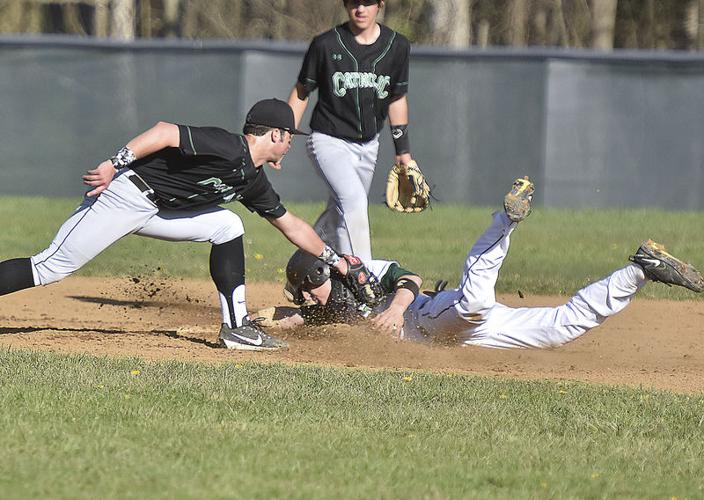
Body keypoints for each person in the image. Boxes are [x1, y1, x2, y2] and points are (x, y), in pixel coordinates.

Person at [0, 98, 375, 352]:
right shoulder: (229, 147)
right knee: (51, 267)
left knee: (228, 225)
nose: (290, 143)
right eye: (289, 136)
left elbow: (290, 225)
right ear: (275, 134)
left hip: (155, 211)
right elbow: (164, 131)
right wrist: (115, 163)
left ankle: (236, 327)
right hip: (125, 195)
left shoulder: (252, 179)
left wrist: (338, 261)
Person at [275, 177, 704, 348]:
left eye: (305, 290)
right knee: (558, 330)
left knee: (474, 301)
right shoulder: (320, 312)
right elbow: (287, 318)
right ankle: (640, 270)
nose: (305, 299)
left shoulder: (357, 274)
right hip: (462, 338)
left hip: (426, 319)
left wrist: (394, 309)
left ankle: (506, 219)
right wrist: (257, 320)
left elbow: (408, 279)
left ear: (317, 276)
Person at [287, 0, 414, 263]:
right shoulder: (325, 44)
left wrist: (403, 150)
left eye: (367, 2)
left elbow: (396, 97)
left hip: (369, 144)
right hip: (327, 139)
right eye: (354, 2)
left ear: (380, 4)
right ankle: (363, 279)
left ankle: (304, 264)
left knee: (340, 210)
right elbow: (302, 91)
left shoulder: (397, 46)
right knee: (354, 202)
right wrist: (285, 133)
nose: (360, 9)